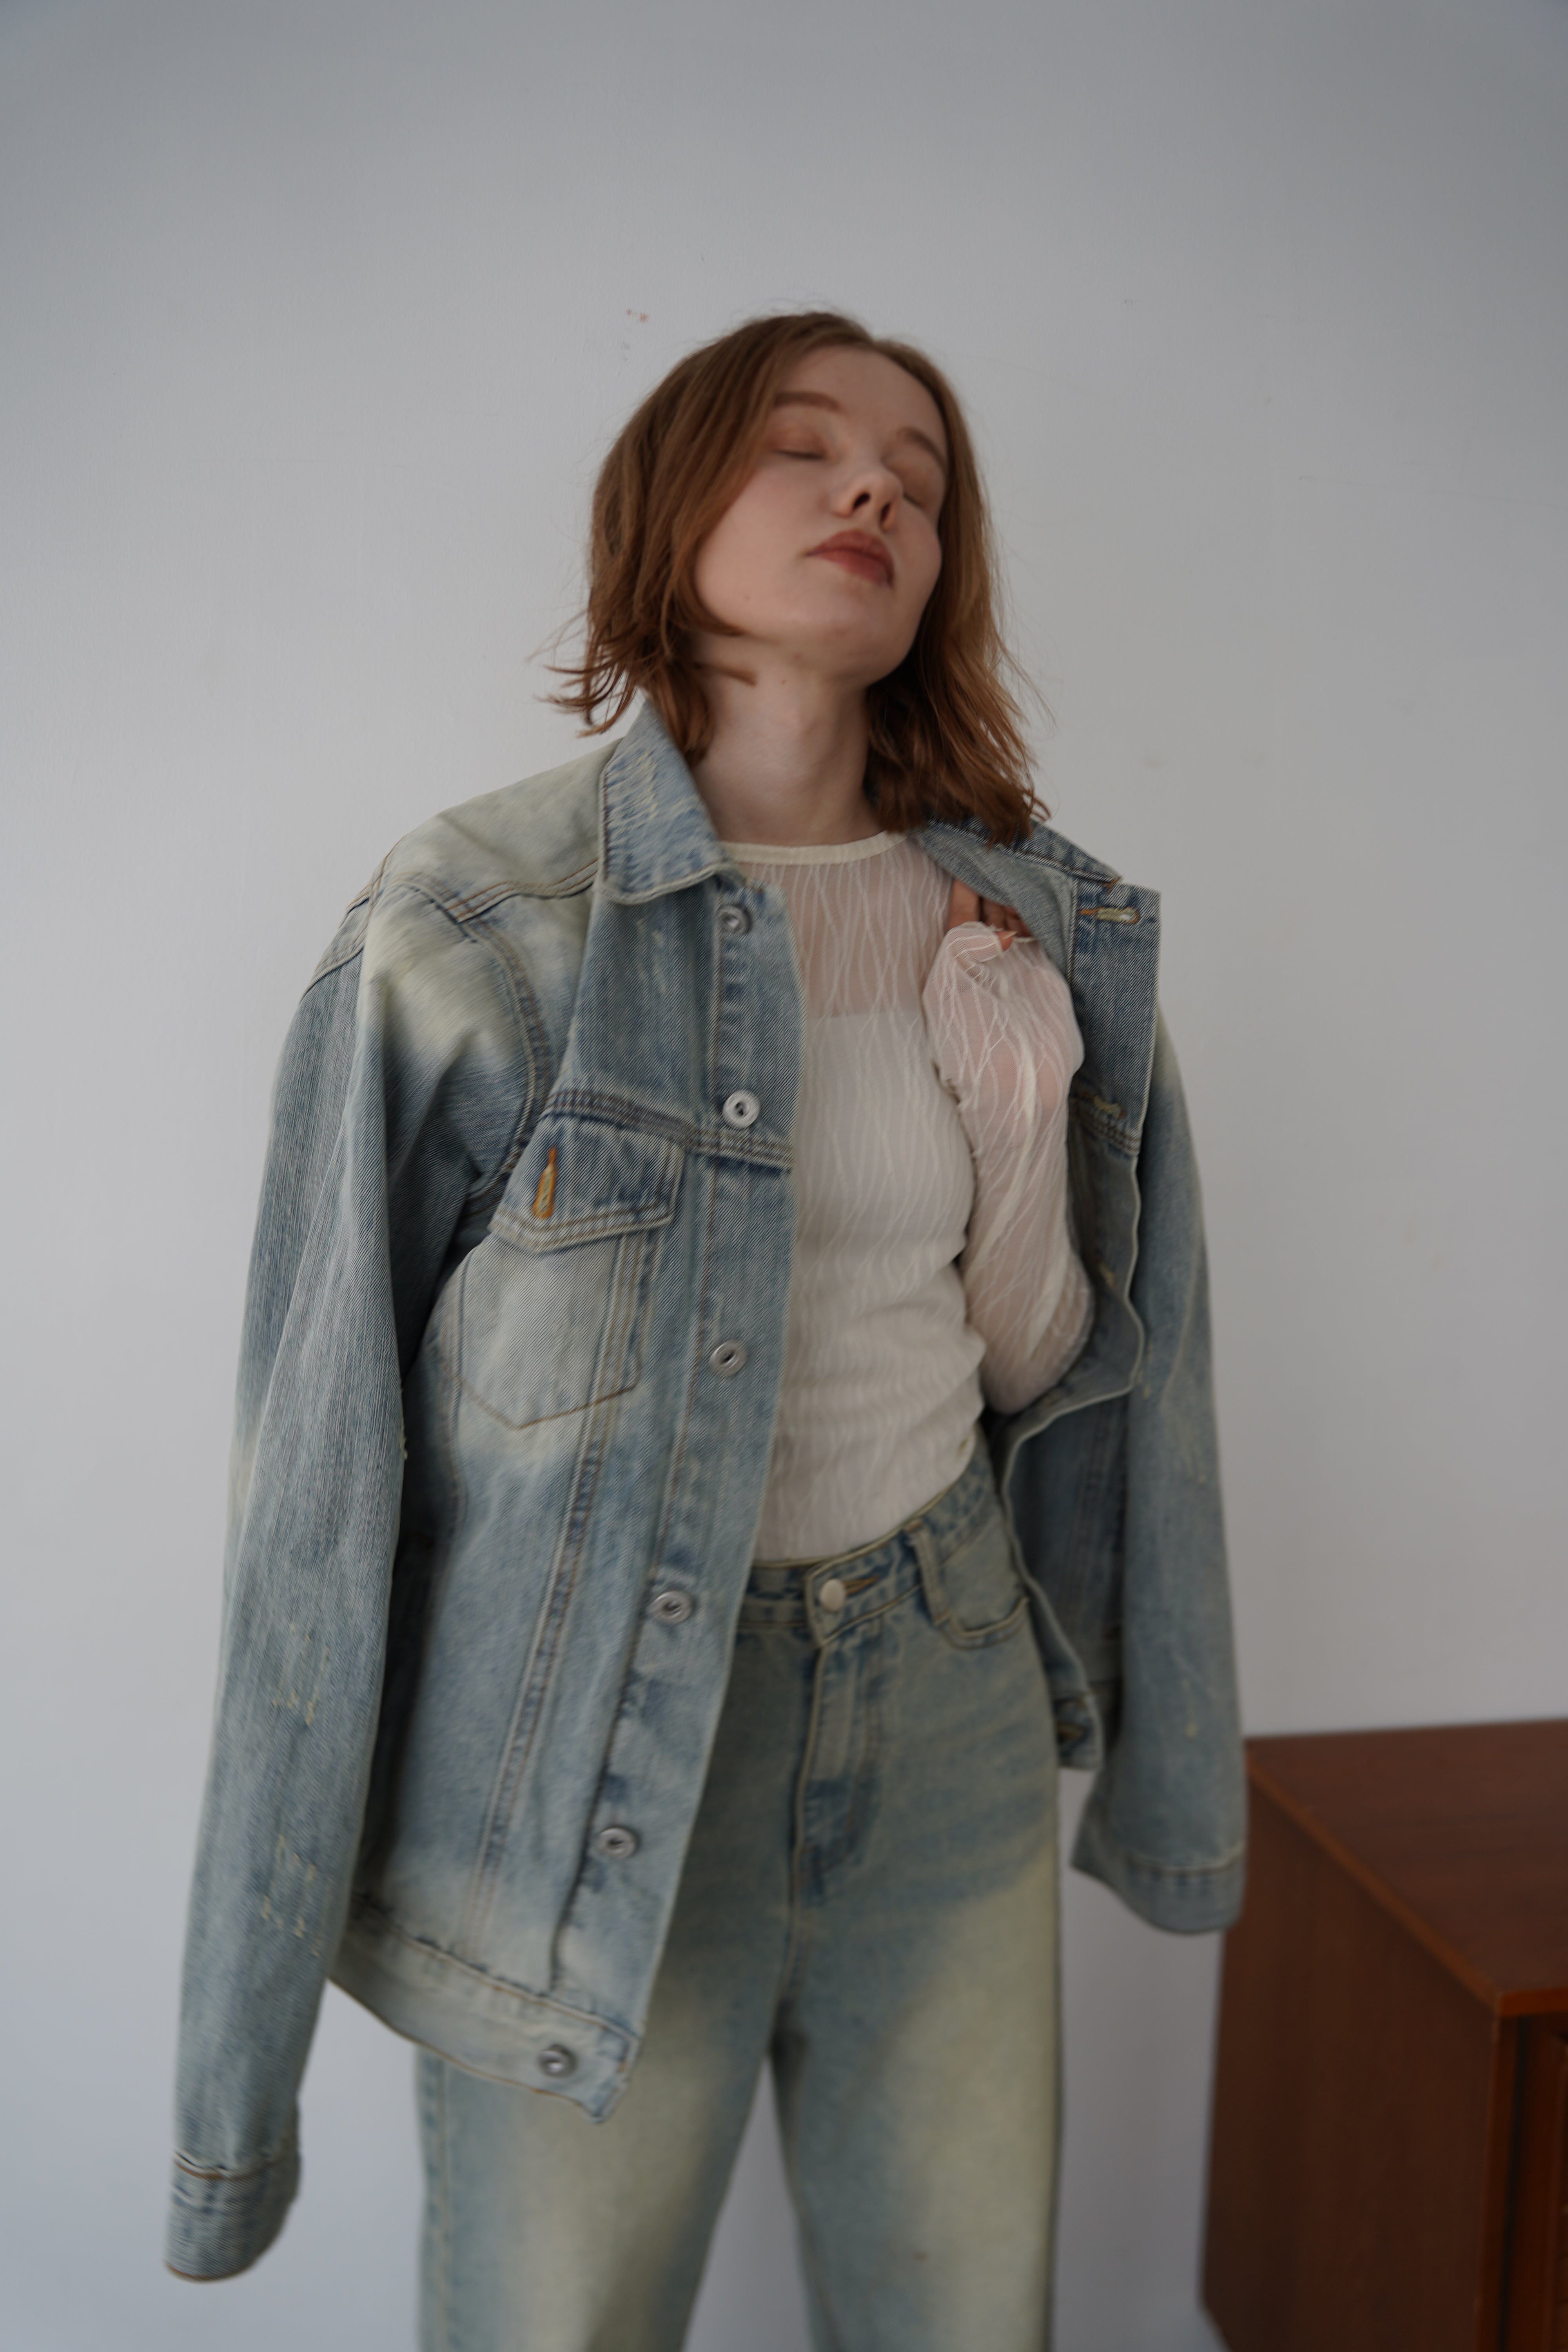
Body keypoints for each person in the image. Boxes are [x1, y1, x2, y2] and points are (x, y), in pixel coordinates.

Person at [165, 311, 1245, 2349]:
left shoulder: (1040, 926)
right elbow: (315, 1503)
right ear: (668, 511)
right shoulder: (478, 924)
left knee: (964, 2320)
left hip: (944, 1685)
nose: (874, 489)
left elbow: (1063, 1378)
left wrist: (1021, 1109)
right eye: (804, 446)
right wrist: (236, 2080)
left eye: (919, 478)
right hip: (583, 1747)